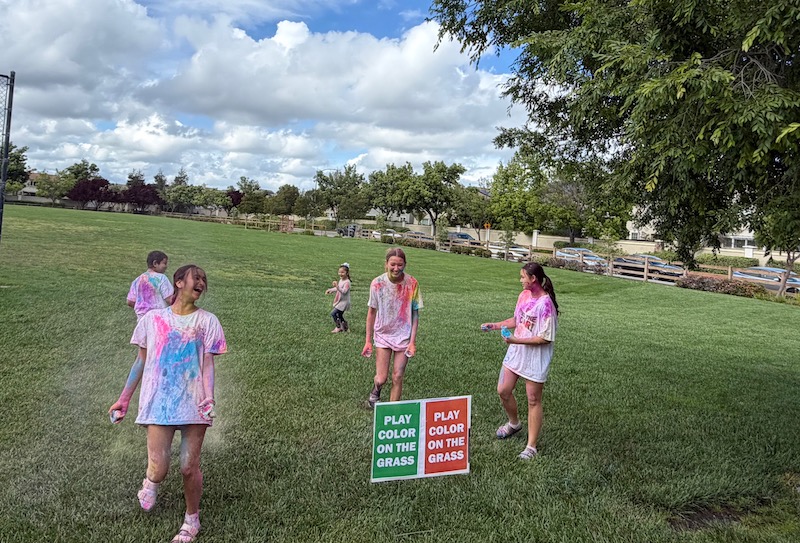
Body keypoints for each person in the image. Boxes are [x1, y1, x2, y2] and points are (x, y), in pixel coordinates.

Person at [109, 264, 227, 543]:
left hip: (195, 404)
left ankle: (191, 520)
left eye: (203, 280)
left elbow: (208, 364)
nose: (200, 283)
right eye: (195, 278)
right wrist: (124, 399)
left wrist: (209, 397)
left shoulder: (208, 321)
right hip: (158, 403)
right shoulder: (152, 320)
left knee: (188, 466)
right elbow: (141, 360)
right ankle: (150, 482)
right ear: (177, 282)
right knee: (159, 468)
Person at [480, 262, 558, 461]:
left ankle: (531, 446)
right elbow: (517, 320)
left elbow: (544, 338)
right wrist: (495, 325)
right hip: (516, 353)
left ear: (533, 279)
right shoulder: (523, 295)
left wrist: (515, 339)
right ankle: (514, 424)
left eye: (523, 277)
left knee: (533, 400)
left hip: (535, 357)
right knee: (503, 390)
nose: (520, 280)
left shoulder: (546, 304)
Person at [362, 248, 423, 408]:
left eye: (400, 265)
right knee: (381, 378)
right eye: (393, 264)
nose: (396, 268)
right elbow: (371, 313)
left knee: (398, 376)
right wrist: (368, 341)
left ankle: (391, 412)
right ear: (386, 264)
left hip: (403, 335)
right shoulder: (377, 283)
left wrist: (412, 341)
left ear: (405, 265)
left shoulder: (412, 283)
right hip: (383, 334)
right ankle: (376, 390)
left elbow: (415, 314)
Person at [127, 250, 174, 320]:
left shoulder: (137, 280)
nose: (166, 266)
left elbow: (130, 302)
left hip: (142, 319)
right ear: (155, 263)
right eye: (164, 263)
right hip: (159, 318)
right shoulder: (161, 278)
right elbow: (170, 299)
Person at [325, 262, 351, 333]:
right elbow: (338, 289)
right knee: (339, 315)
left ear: (347, 273)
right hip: (341, 301)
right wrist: (331, 290)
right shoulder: (341, 280)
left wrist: (337, 286)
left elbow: (344, 291)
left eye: (342, 272)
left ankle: (338, 327)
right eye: (339, 272)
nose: (340, 274)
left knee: (333, 313)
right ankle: (345, 328)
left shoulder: (347, 282)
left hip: (344, 302)